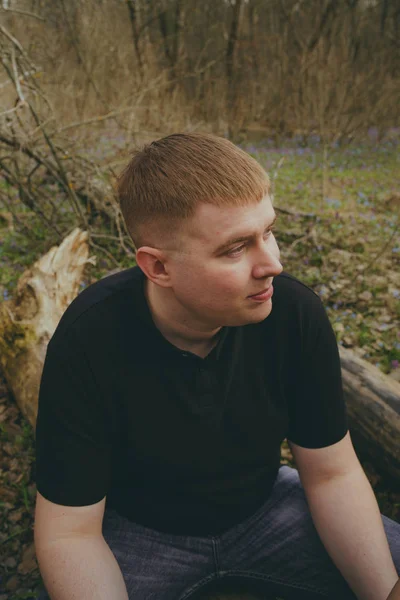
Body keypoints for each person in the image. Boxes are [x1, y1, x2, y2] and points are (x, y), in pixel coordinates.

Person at [34, 133, 400, 600]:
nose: (273, 264)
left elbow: (331, 474)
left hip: (267, 510)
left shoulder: (294, 315)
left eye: (269, 232)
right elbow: (69, 533)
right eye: (235, 248)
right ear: (158, 268)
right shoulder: (91, 339)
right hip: (135, 535)